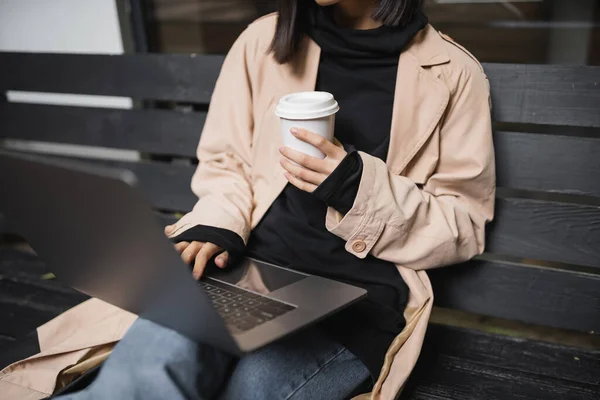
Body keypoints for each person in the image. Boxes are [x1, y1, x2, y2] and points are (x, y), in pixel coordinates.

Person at [1, 1, 495, 399]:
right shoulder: (264, 42)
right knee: (152, 366)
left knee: (253, 389)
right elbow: (225, 164)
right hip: (242, 274)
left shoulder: (453, 74)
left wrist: (355, 186)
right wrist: (217, 222)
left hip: (355, 303)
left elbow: (464, 225)